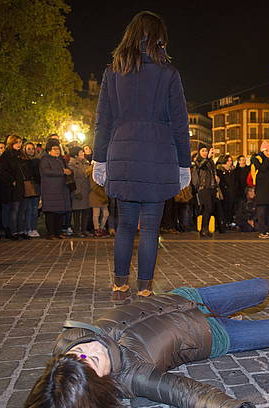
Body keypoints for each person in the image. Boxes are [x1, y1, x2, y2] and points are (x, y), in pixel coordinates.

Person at [0, 278, 269, 408]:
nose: (87, 351)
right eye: (92, 362)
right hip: (211, 334)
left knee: (261, 287)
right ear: (104, 382)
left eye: (77, 356)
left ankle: (228, 310)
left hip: (185, 299)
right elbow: (187, 394)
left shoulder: (68, 342)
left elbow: (61, 381)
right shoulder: (134, 377)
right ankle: (231, 321)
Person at [92, 11, 190, 301]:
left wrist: (99, 159)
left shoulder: (113, 72)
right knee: (149, 227)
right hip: (158, 156)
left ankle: (119, 287)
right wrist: (185, 165)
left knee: (124, 224)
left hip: (122, 152)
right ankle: (145, 288)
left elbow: (103, 120)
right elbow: (180, 123)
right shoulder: (168, 73)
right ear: (159, 38)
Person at [40, 141, 72, 239]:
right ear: (49, 150)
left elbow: (67, 169)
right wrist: (62, 171)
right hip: (50, 189)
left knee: (60, 212)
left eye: (58, 149)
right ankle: (51, 233)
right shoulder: (45, 159)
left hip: (61, 189)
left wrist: (69, 171)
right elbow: (46, 171)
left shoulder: (60, 159)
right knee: (51, 212)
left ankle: (58, 232)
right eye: (54, 149)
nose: (57, 151)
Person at [0, 135, 27, 240]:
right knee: (13, 209)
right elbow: (3, 171)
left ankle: (21, 230)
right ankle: (12, 231)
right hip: (12, 188)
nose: (19, 144)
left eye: (20, 142)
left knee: (21, 210)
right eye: (16, 142)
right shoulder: (7, 155)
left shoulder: (21, 155)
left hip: (21, 186)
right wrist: (12, 180)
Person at [251, 141, 269, 239]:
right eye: (267, 150)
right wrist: (268, 160)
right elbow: (261, 169)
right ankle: (261, 231)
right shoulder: (256, 158)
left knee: (268, 211)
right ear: (263, 150)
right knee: (262, 211)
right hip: (262, 188)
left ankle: (267, 230)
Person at [192, 144, 218, 238]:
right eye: (202, 151)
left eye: (206, 151)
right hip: (203, 188)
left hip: (211, 188)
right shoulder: (198, 160)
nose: (205, 153)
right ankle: (204, 230)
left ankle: (204, 229)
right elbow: (200, 166)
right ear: (199, 152)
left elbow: (213, 172)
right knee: (207, 207)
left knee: (209, 209)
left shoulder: (210, 162)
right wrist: (208, 158)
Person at [68, 146, 92, 237]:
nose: (82, 154)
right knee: (77, 211)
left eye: (82, 152)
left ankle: (84, 229)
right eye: (80, 152)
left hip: (86, 189)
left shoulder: (86, 162)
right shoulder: (72, 163)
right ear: (75, 154)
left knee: (86, 211)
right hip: (77, 189)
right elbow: (73, 177)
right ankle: (77, 230)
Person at [20, 142, 41, 237]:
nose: (31, 151)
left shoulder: (37, 161)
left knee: (34, 209)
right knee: (28, 209)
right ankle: (27, 228)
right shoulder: (22, 161)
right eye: (28, 149)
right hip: (27, 186)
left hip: (36, 185)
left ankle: (34, 228)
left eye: (32, 149)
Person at [90, 162, 110, 237]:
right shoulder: (93, 171)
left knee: (106, 214)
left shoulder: (103, 170)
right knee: (96, 214)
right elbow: (93, 185)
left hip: (103, 195)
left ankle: (101, 228)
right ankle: (97, 230)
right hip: (96, 194)